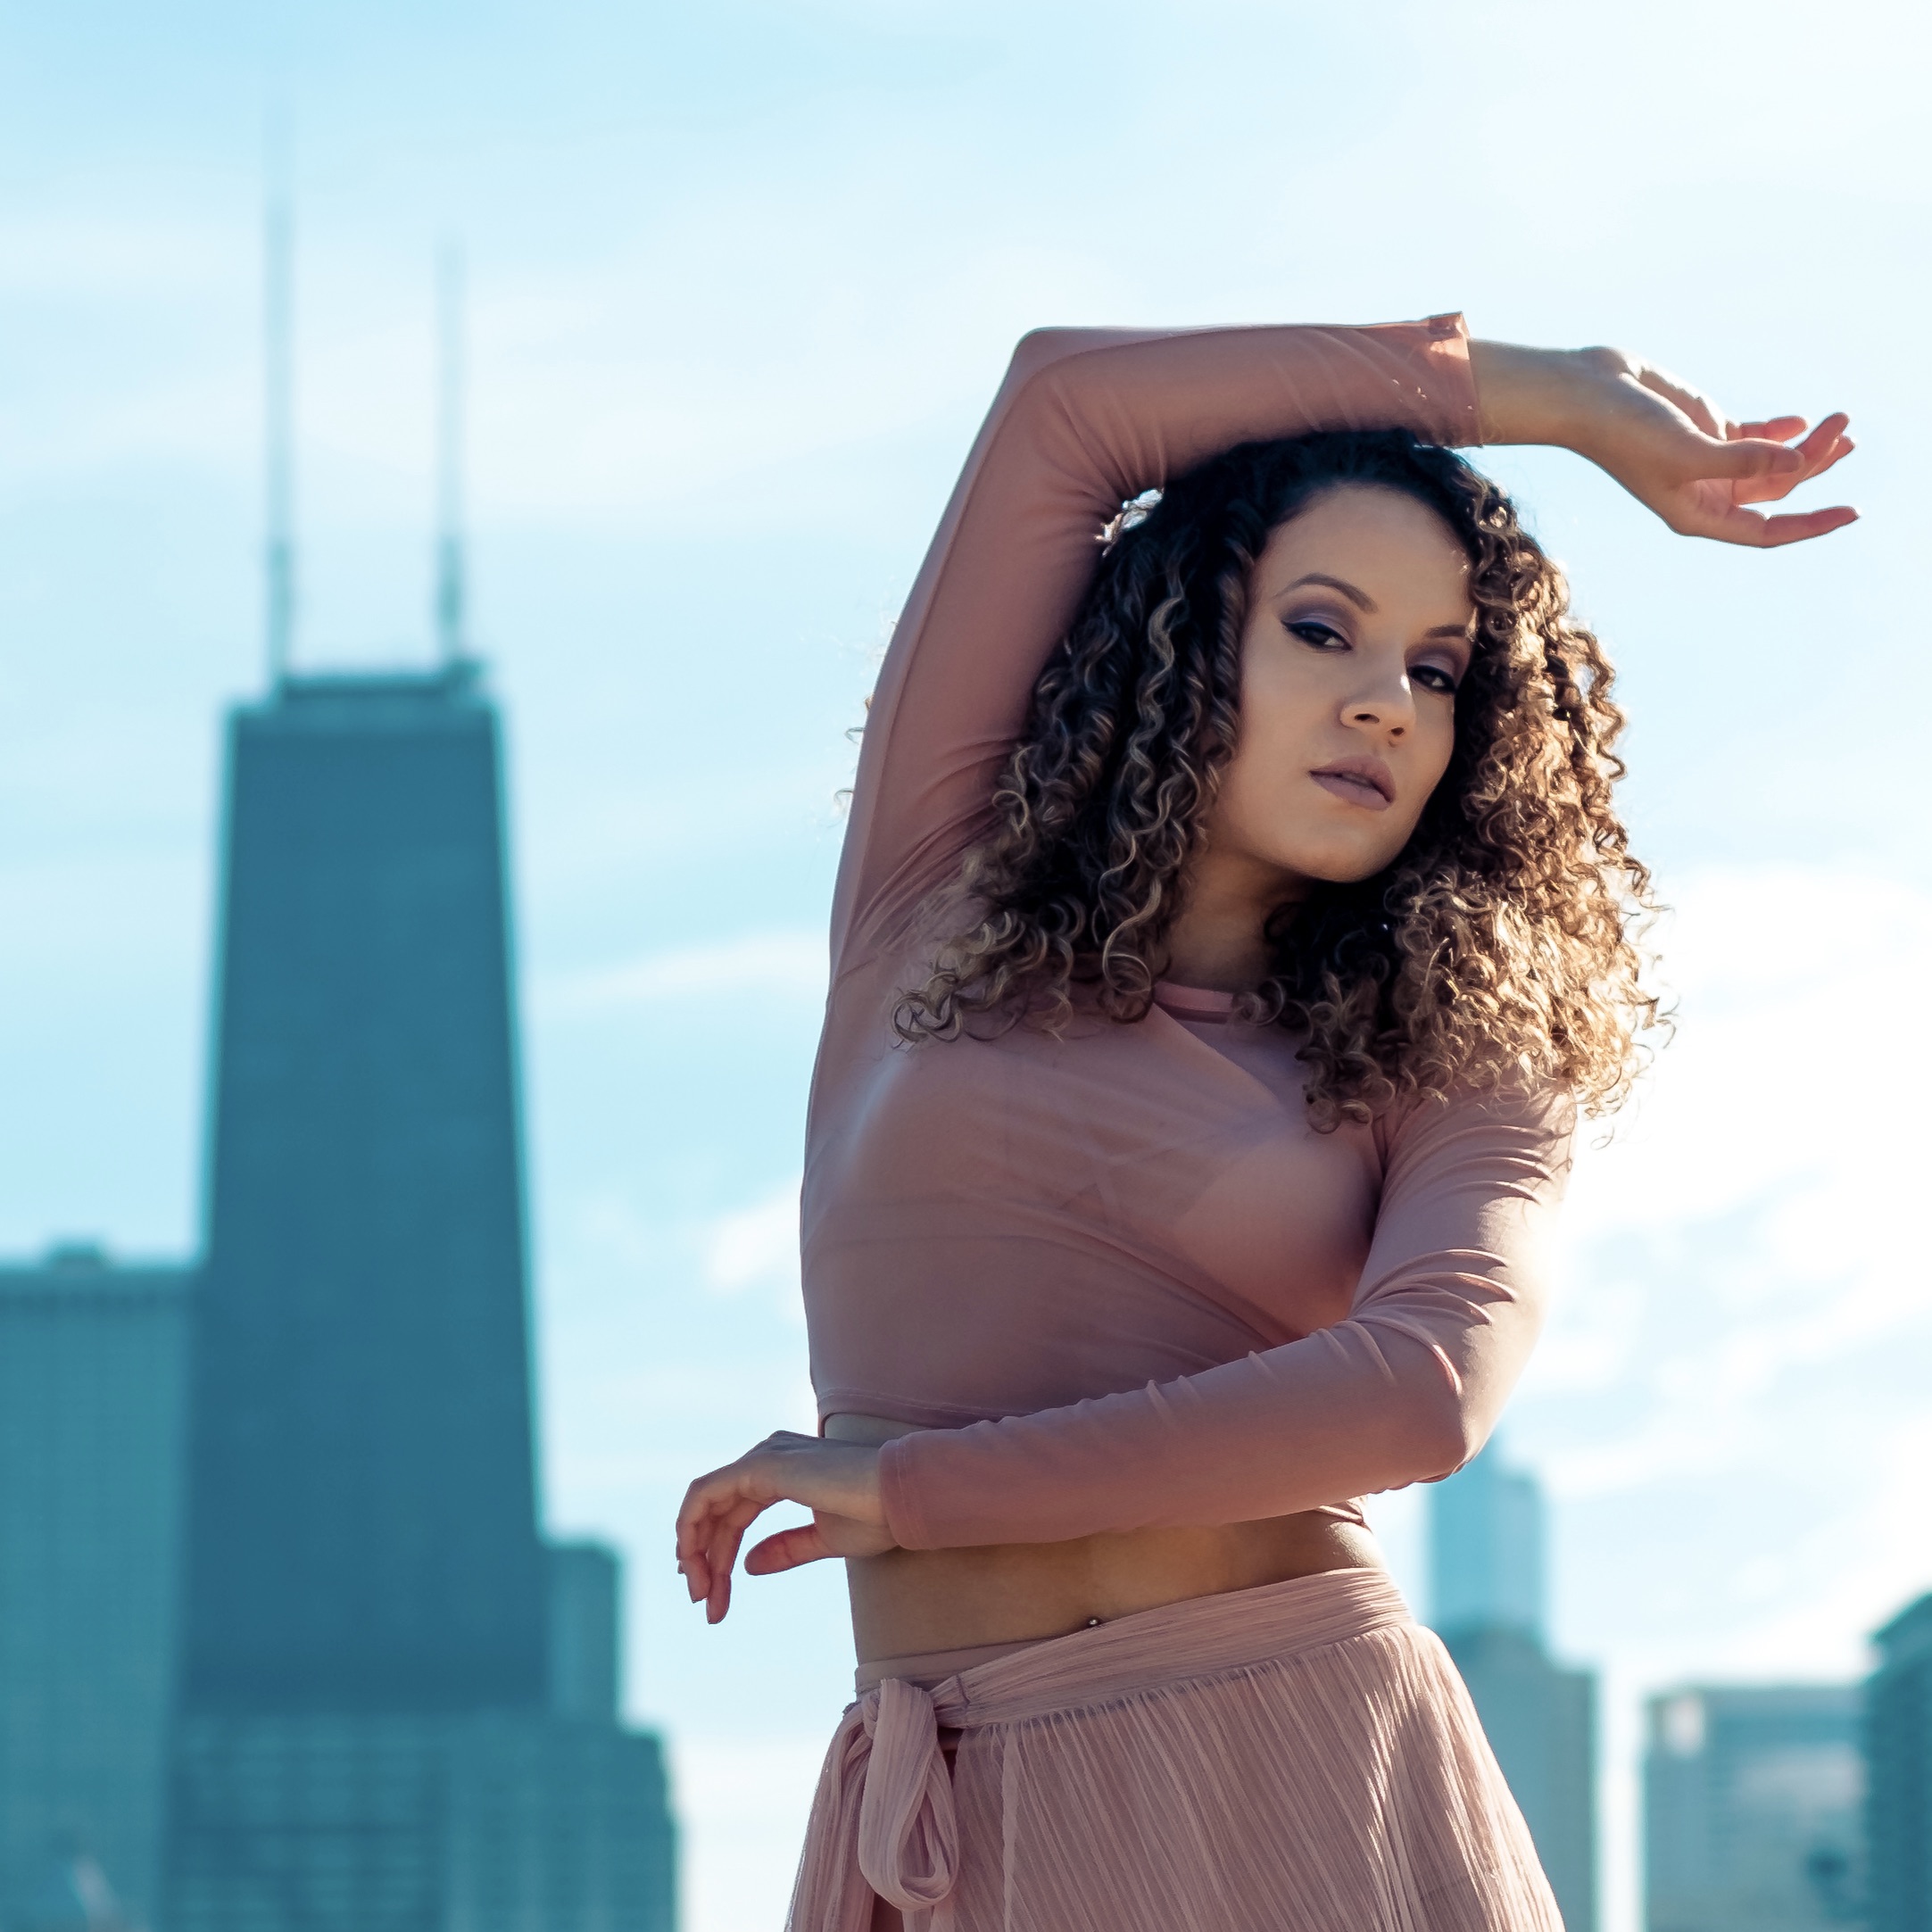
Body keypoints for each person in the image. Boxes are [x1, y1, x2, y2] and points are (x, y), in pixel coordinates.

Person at [675, 316, 1853, 1932]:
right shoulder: (924, 890)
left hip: (1292, 1783)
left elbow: (1426, 1390)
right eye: (1322, 629)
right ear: (1177, 642)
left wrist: (930, 1491)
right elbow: (1065, 407)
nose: (1384, 702)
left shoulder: (1469, 1043)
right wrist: (1547, 401)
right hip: (944, 1806)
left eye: (1434, 672)